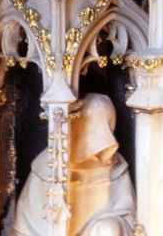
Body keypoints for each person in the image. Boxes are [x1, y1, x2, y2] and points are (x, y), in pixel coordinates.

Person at [12, 93, 136, 235]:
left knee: (108, 228)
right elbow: (27, 224)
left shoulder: (115, 166)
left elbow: (128, 215)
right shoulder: (49, 165)